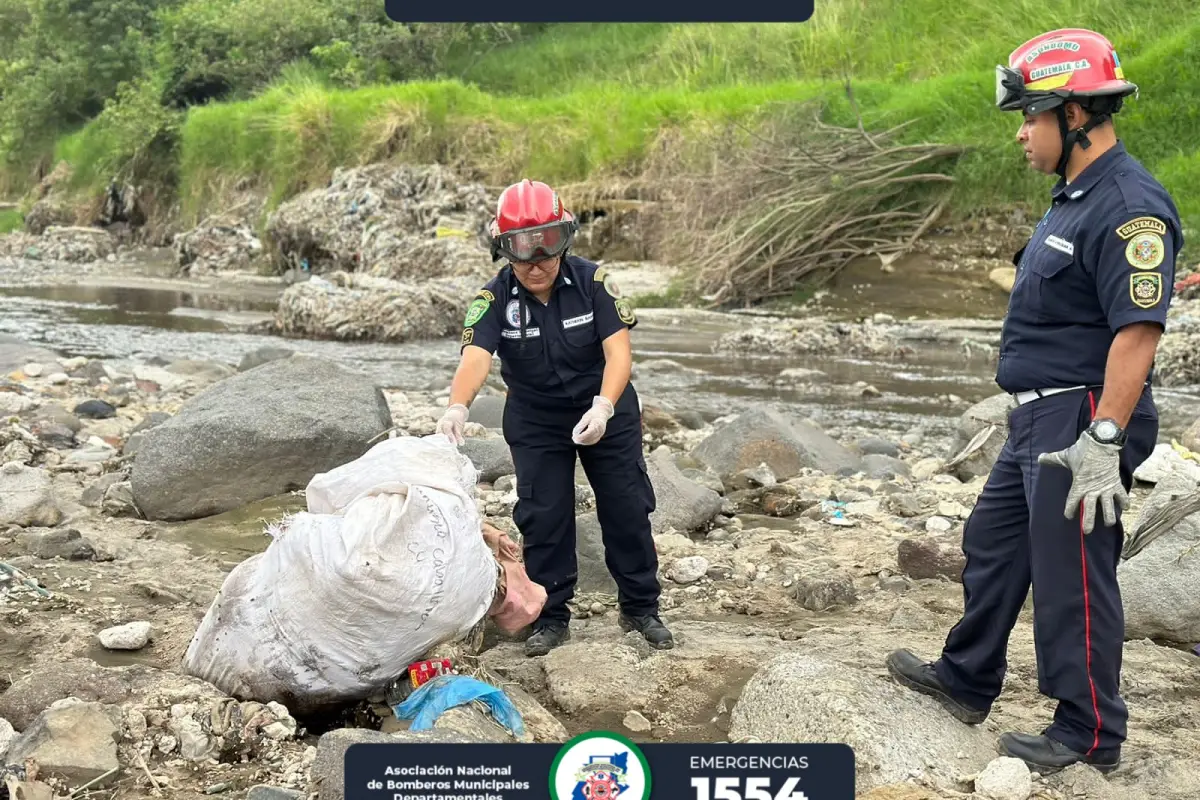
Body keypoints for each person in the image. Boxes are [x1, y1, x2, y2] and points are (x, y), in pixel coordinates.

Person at [885, 28, 1182, 775]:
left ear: (1074, 114)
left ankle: (1088, 734)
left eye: (1029, 117)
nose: (1020, 133)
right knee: (993, 544)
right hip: (1037, 415)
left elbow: (1137, 335)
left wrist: (1105, 439)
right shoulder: (1073, 199)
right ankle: (966, 676)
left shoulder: (1129, 206)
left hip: (1083, 418)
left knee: (1071, 575)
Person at [435, 178, 673, 657]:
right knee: (544, 514)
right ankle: (551, 615)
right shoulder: (495, 297)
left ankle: (641, 607)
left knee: (626, 507)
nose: (535, 261)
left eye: (546, 244)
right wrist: (458, 405)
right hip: (536, 417)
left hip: (606, 407)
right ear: (503, 249)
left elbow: (619, 354)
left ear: (564, 237)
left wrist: (604, 406)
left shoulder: (593, 283)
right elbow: (476, 355)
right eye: (520, 248)